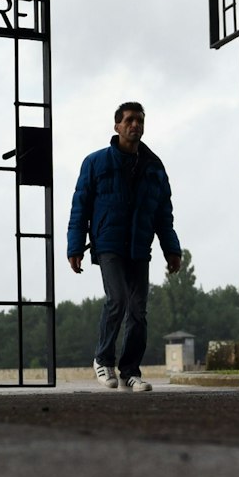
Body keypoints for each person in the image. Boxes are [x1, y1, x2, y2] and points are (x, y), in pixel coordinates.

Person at [66, 101, 181, 391]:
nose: (135, 125)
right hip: (109, 243)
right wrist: (75, 246)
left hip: (140, 246)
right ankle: (103, 360)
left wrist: (172, 249)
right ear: (116, 125)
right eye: (129, 120)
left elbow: (162, 213)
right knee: (117, 299)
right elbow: (80, 206)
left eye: (140, 120)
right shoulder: (95, 162)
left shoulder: (154, 167)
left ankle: (130, 371)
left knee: (139, 310)